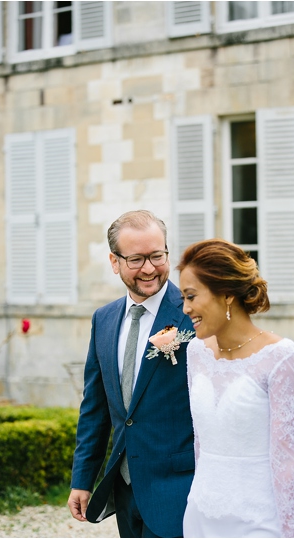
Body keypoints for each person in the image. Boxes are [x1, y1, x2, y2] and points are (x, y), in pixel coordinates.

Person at [68, 210, 195, 537]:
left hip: (181, 489)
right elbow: (95, 408)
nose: (150, 268)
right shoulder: (104, 320)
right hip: (124, 489)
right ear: (115, 262)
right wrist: (83, 480)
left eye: (157, 255)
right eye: (137, 259)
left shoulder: (194, 313)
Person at [178, 239, 294, 538]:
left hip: (257, 520)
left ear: (225, 294)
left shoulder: (281, 357)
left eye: (191, 296)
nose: (186, 309)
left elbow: (288, 459)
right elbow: (200, 441)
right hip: (200, 514)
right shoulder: (196, 352)